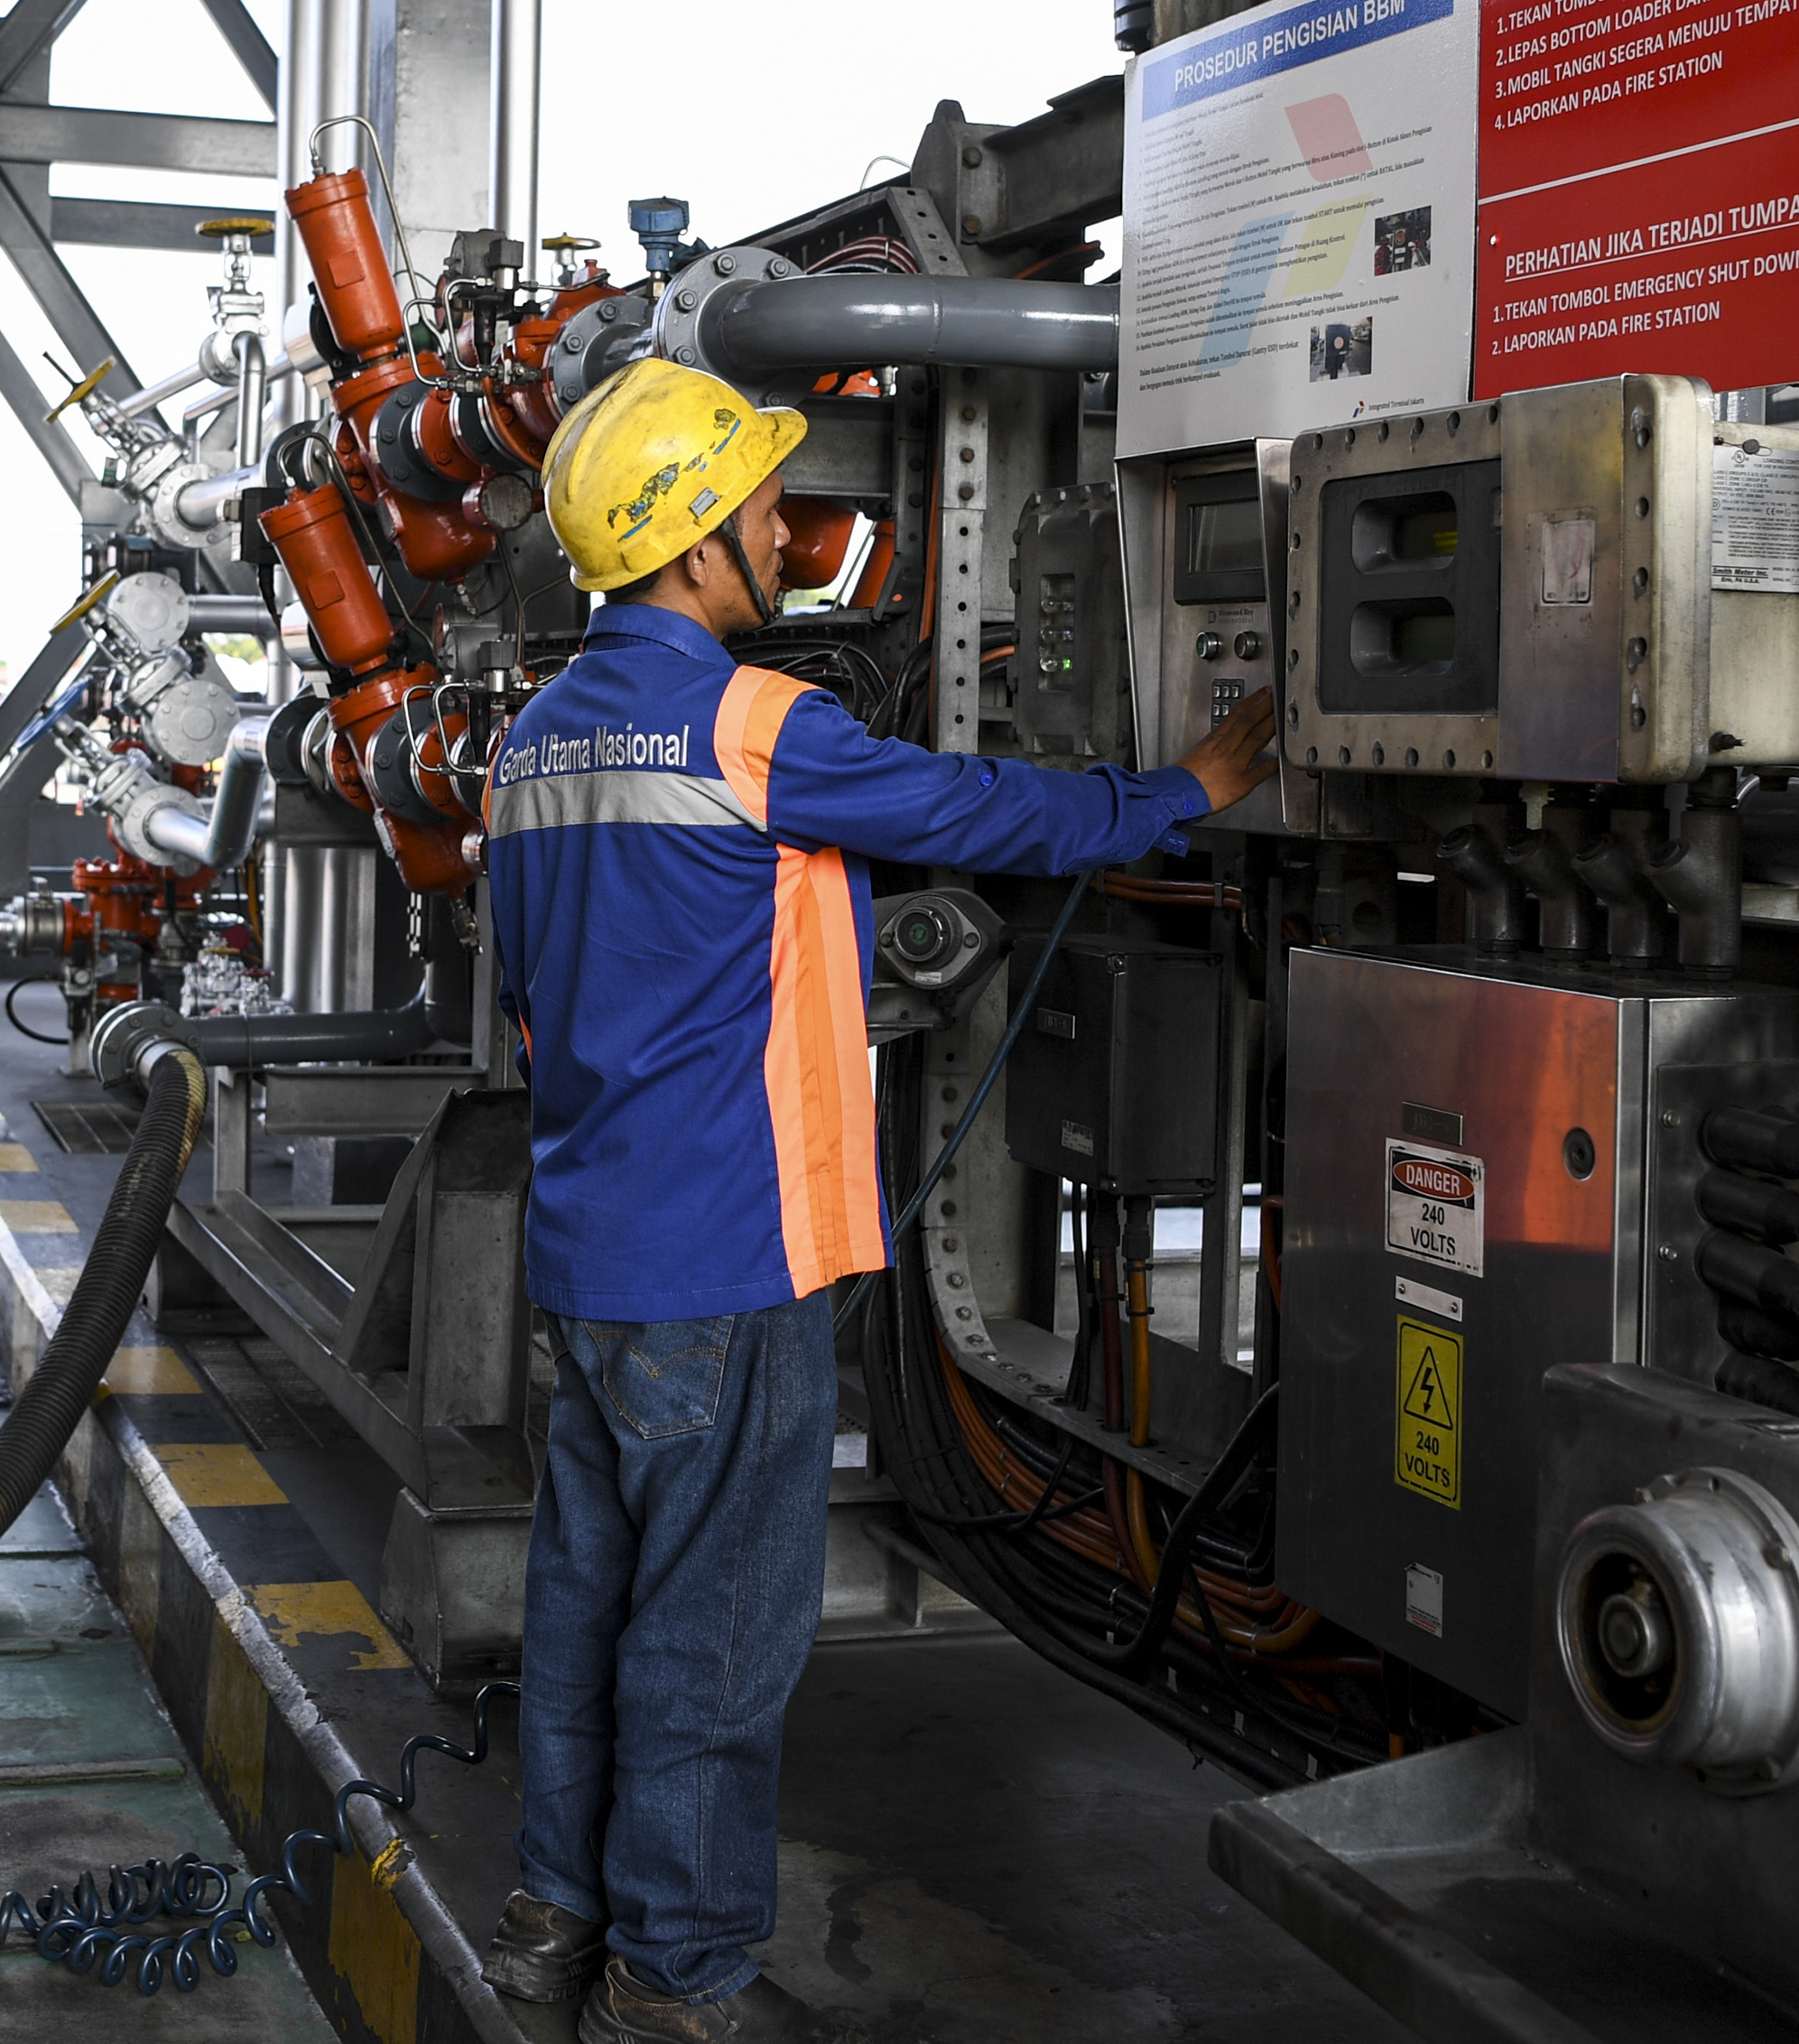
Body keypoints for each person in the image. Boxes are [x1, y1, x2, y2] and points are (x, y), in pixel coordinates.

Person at [476, 359, 1276, 2043]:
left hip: (594, 1245)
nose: (787, 527)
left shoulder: (535, 740)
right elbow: (977, 806)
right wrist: (1187, 788)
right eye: (762, 505)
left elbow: (540, 993)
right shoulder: (758, 725)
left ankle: (554, 1922)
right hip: (734, 1253)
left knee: (587, 1602)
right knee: (717, 1631)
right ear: (696, 548)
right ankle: (676, 1977)